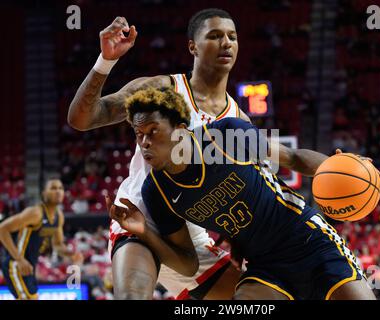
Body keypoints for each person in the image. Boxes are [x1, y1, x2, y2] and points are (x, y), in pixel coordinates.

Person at [67, 9, 332, 299]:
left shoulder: (238, 120)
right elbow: (83, 119)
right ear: (192, 46)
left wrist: (341, 165)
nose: (226, 43)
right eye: (215, 36)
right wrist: (106, 61)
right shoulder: (163, 89)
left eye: (232, 36)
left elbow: (272, 173)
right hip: (141, 214)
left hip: (190, 237)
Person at [108, 87, 376, 300]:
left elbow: (292, 158)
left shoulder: (224, 136)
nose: (144, 142)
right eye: (138, 134)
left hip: (309, 240)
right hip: (264, 265)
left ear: (179, 131)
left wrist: (335, 166)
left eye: (153, 131)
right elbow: (188, 265)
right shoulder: (156, 192)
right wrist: (146, 232)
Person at [0, 179, 82, 300]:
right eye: (53, 188)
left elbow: (58, 245)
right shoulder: (35, 213)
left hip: (30, 266)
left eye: (60, 188)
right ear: (44, 193)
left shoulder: (59, 216)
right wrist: (20, 259)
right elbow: (2, 229)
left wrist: (71, 253)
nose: (58, 191)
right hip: (16, 265)